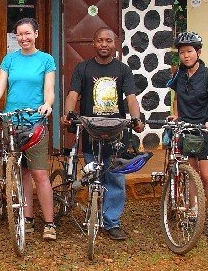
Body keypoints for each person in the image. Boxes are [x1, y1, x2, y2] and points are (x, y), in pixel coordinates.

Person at [61, 27, 145, 241]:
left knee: (116, 178)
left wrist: (137, 119)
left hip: (117, 133)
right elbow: (73, 94)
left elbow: (131, 99)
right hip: (91, 132)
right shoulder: (83, 68)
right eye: (100, 40)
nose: (104, 44)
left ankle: (112, 222)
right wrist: (68, 114)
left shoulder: (123, 69)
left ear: (115, 43)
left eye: (108, 40)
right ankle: (92, 214)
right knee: (93, 175)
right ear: (93, 43)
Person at [0, 18, 57, 240]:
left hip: (35, 122)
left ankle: (49, 223)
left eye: (27, 34)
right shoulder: (9, 60)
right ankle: (28, 218)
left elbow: (49, 89)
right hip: (11, 122)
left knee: (40, 173)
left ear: (36, 34)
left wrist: (47, 105)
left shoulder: (46, 60)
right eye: (19, 35)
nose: (23, 38)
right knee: (21, 172)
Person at [168, 31, 208, 237]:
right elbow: (175, 97)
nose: (186, 56)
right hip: (186, 128)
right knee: (190, 173)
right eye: (182, 52)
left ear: (198, 52)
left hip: (204, 129)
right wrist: (176, 115)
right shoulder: (179, 76)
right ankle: (193, 212)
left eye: (189, 51)